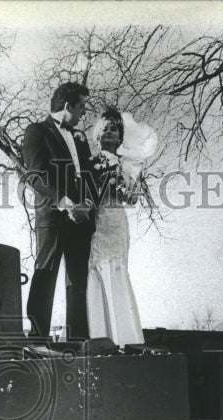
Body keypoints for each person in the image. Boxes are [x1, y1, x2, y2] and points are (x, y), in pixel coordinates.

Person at [21, 82, 95, 340]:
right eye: (81, 107)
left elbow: (87, 176)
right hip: (53, 217)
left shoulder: (79, 138)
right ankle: (38, 338)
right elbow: (35, 174)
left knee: (78, 280)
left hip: (82, 220)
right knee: (46, 274)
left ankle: (78, 340)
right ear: (67, 106)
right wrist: (66, 203)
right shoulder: (36, 131)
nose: (84, 112)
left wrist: (86, 203)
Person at [85, 108, 147, 348]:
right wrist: (104, 182)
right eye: (105, 129)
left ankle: (125, 337)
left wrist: (125, 184)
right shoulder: (90, 163)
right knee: (98, 267)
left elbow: (132, 199)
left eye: (114, 129)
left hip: (118, 220)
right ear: (97, 135)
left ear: (120, 136)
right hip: (98, 220)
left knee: (119, 268)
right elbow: (88, 195)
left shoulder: (128, 165)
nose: (109, 132)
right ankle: (101, 335)